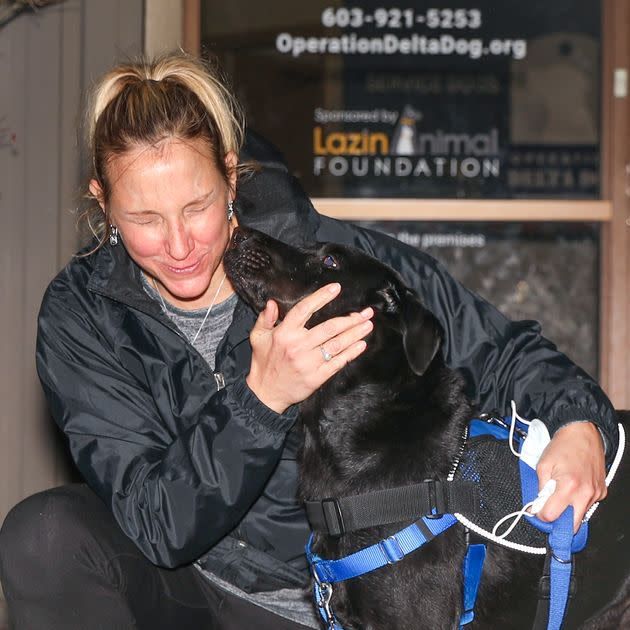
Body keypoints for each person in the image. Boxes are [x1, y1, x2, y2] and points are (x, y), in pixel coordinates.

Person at [0, 51, 618, 629]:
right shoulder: (82, 313)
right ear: (102, 202)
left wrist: (578, 426)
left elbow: (507, 352)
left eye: (197, 206)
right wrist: (261, 400)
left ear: (232, 178)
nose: (180, 245)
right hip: (188, 583)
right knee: (44, 535)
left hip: (335, 591)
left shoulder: (334, 268)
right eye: (144, 220)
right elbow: (157, 524)